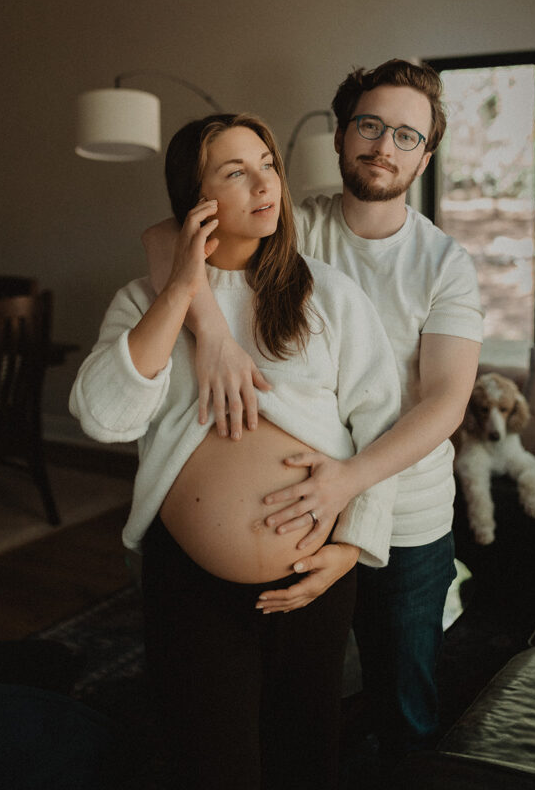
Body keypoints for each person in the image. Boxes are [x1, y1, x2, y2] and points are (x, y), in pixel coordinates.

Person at [143, 60, 484, 770]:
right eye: (368, 125)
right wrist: (210, 337)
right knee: (295, 698)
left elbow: (446, 401)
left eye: (405, 135)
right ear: (339, 133)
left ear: (425, 154)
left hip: (409, 518)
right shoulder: (297, 223)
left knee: (404, 704)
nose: (382, 147)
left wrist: (347, 486)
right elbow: (164, 237)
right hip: (298, 513)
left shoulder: (443, 262)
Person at [69, 113, 402, 790]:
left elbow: (382, 429)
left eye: (267, 164)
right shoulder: (143, 302)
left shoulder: (328, 296)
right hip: (189, 584)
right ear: (194, 200)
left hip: (313, 578)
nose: (263, 183)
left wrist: (350, 546)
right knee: (211, 764)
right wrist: (178, 292)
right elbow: (101, 418)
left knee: (304, 757)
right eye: (234, 171)